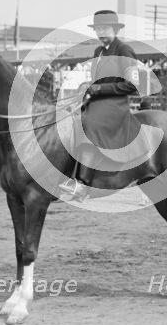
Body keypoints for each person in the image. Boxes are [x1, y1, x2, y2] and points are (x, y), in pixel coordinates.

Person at [59, 10, 146, 201]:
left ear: (114, 29)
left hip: (116, 104)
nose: (101, 32)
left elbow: (131, 85)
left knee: (88, 123)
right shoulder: (98, 52)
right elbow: (95, 81)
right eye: (98, 29)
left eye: (105, 28)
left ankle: (83, 184)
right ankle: (67, 174)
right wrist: (87, 88)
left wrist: (99, 88)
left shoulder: (124, 50)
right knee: (69, 121)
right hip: (97, 101)